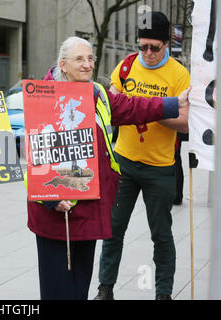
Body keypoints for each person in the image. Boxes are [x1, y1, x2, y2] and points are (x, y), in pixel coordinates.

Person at [26, 35, 189, 300]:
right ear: (63, 64)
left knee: (79, 287)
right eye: (79, 59)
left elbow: (132, 107)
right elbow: (35, 158)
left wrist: (173, 103)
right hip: (56, 211)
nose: (87, 64)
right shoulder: (44, 94)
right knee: (57, 290)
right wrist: (51, 200)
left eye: (90, 58)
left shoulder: (97, 92)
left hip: (88, 207)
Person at [95, 12, 191, 300]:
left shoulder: (179, 74)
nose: (147, 53)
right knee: (112, 230)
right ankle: (105, 288)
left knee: (161, 235)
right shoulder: (125, 67)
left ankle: (163, 293)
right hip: (124, 162)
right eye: (143, 46)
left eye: (154, 47)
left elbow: (185, 122)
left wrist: (149, 108)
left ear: (166, 46)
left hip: (160, 168)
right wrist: (157, 106)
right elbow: (112, 107)